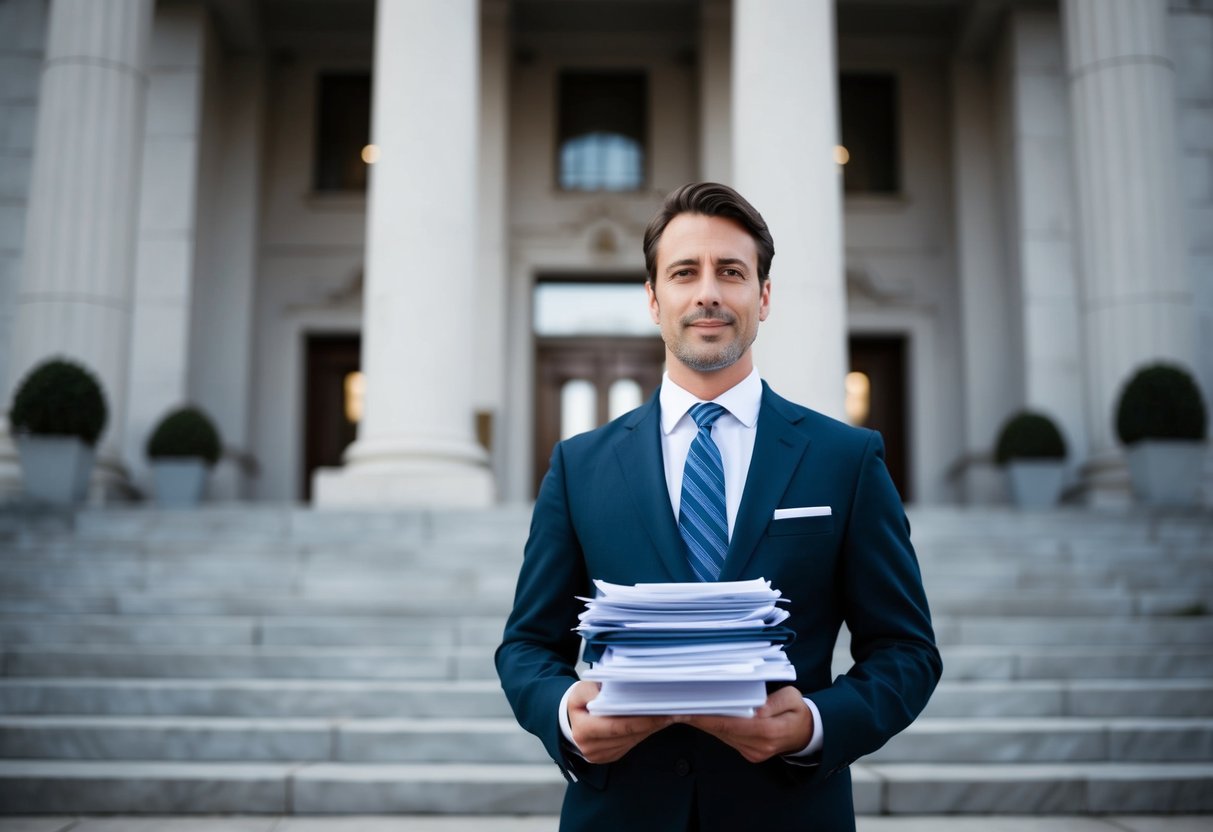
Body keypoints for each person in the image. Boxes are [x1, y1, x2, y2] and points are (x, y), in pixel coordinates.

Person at [496, 182, 942, 831]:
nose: (707, 291)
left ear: (762, 296)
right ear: (654, 299)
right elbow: (525, 647)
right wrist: (566, 713)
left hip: (786, 813)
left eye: (730, 272)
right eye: (684, 272)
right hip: (621, 812)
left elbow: (907, 650)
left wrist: (813, 726)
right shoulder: (579, 465)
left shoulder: (845, 459)